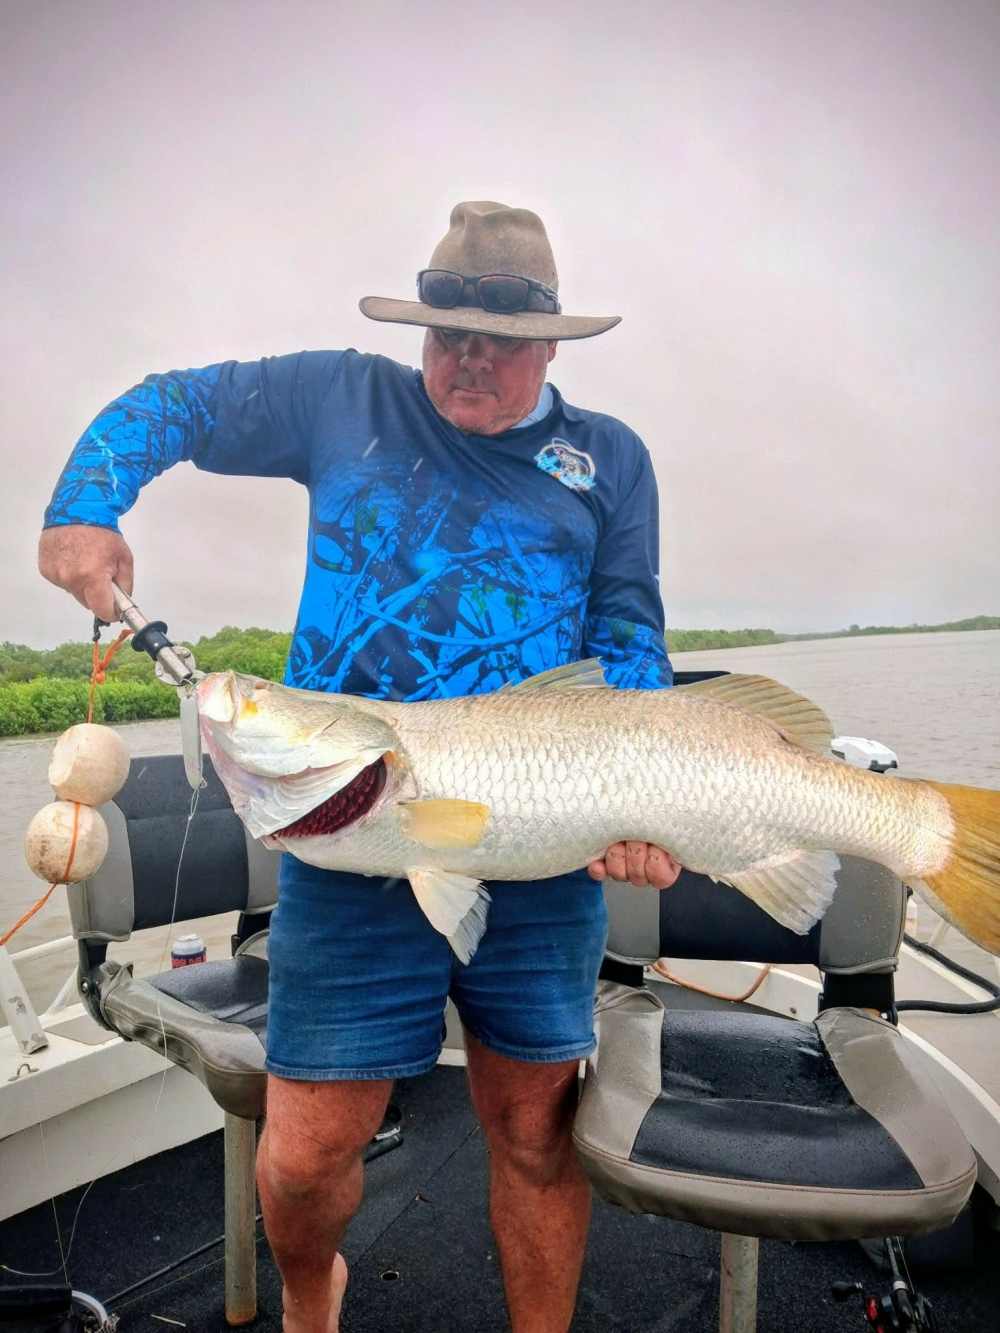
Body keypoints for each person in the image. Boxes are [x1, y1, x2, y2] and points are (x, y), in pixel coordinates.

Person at [39, 201, 682, 1333]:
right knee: (302, 1153)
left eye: (498, 341)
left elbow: (628, 636)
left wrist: (636, 803)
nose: (468, 359)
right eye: (448, 336)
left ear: (551, 347)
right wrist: (85, 506)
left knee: (533, 1128)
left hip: (539, 840)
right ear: (420, 328)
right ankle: (308, 1299)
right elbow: (172, 403)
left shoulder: (610, 460)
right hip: (349, 829)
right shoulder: (342, 397)